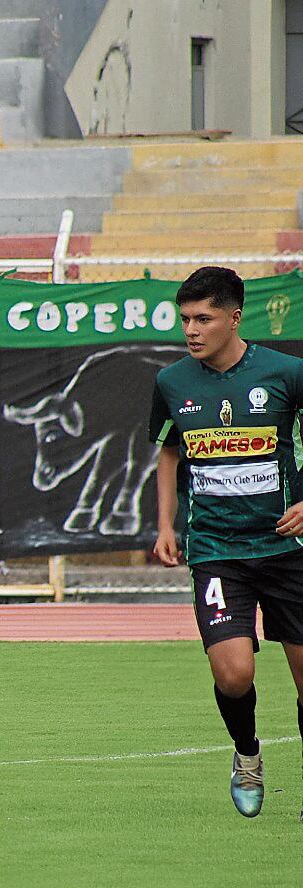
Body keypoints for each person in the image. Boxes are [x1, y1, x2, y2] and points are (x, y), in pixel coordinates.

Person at [150, 265, 303, 819]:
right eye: (184, 318)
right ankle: (247, 755)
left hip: (289, 554)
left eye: (203, 318)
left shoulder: (287, 374)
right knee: (234, 673)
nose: (191, 329)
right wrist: (166, 525)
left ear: (234, 317)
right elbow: (169, 452)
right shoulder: (172, 383)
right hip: (217, 550)